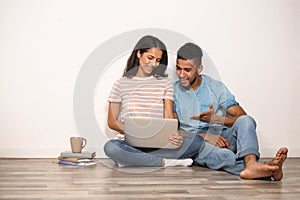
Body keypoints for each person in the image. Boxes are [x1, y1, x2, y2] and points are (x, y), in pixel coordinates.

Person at [173, 42, 288, 180]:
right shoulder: (172, 91)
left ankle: (252, 163)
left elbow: (242, 118)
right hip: (196, 143)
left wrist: (215, 119)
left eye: (187, 70)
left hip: (224, 138)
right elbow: (172, 131)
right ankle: (268, 169)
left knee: (247, 120)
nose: (181, 74)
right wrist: (206, 136)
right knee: (225, 156)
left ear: (199, 69)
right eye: (178, 69)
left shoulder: (215, 87)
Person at [103, 36, 204, 167]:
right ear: (139, 53)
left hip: (159, 143)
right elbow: (112, 122)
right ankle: (163, 162)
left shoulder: (165, 83)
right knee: (111, 147)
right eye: (150, 58)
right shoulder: (120, 84)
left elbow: (169, 118)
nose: (154, 64)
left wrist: (174, 136)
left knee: (197, 142)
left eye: (158, 60)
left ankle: (133, 159)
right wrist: (137, 132)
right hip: (130, 142)